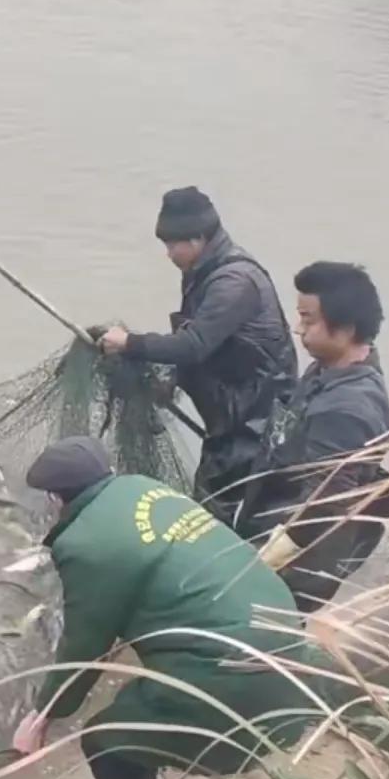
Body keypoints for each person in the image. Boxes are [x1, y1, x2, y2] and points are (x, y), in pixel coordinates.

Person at [6, 437, 315, 779]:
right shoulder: (141, 488)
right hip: (283, 641)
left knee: (108, 738)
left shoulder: (87, 544)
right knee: (133, 721)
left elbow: (84, 645)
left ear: (57, 498)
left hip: (234, 672)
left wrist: (42, 715)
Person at [95, 187, 297, 530]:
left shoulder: (234, 282)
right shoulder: (203, 272)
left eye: (174, 244)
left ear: (200, 238)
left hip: (255, 423)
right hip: (230, 417)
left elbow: (194, 345)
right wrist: (171, 382)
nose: (169, 253)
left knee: (216, 512)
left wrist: (130, 343)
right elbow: (202, 344)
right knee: (216, 506)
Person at [244, 262, 389, 613]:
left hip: (292, 566)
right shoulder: (328, 369)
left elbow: (322, 508)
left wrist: (255, 568)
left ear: (345, 329)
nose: (299, 330)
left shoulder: (349, 409)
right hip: (266, 520)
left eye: (309, 320)